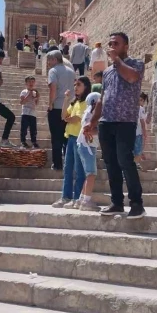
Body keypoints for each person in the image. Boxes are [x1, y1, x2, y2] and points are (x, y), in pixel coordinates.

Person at [83, 32, 145, 219]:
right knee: (111, 163)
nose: (111, 46)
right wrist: (92, 122)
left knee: (125, 160)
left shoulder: (136, 64)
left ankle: (137, 203)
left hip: (125, 121)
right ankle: (116, 202)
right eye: (110, 43)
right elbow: (102, 99)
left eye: (115, 43)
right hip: (106, 122)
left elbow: (132, 78)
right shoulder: (108, 72)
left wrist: (117, 60)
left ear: (125, 46)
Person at [53, 77, 91, 209]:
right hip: (70, 138)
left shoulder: (86, 102)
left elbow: (77, 119)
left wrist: (68, 119)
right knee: (68, 168)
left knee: (79, 170)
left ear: (85, 86)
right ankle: (66, 196)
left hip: (79, 139)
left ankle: (76, 198)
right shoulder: (74, 102)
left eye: (78, 85)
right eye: (74, 84)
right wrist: (66, 99)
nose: (75, 87)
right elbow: (63, 116)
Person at [47, 50, 76, 171]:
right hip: (70, 108)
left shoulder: (53, 71)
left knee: (56, 137)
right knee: (67, 136)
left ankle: (57, 163)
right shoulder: (71, 71)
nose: (48, 62)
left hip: (58, 107)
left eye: (49, 60)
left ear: (54, 59)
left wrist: (50, 104)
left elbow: (53, 88)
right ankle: (70, 163)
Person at [77, 91, 101, 212]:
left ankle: (81, 199)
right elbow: (89, 129)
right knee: (91, 174)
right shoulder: (91, 114)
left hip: (85, 145)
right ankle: (86, 201)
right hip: (87, 146)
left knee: (89, 174)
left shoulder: (88, 112)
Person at [20, 75, 40, 149]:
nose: (31, 83)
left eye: (32, 82)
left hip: (33, 113)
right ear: (26, 83)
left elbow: (36, 103)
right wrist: (29, 94)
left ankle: (34, 142)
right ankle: (23, 141)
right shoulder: (23, 92)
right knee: (24, 129)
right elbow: (22, 102)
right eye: (29, 82)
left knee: (33, 129)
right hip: (25, 113)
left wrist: (37, 97)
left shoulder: (35, 92)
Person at [135, 93, 149, 169]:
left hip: (136, 132)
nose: (139, 102)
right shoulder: (140, 108)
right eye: (139, 100)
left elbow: (142, 121)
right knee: (137, 149)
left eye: (141, 100)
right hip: (136, 133)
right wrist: (144, 132)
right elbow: (142, 122)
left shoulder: (139, 108)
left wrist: (144, 132)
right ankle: (136, 163)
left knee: (137, 149)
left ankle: (136, 163)